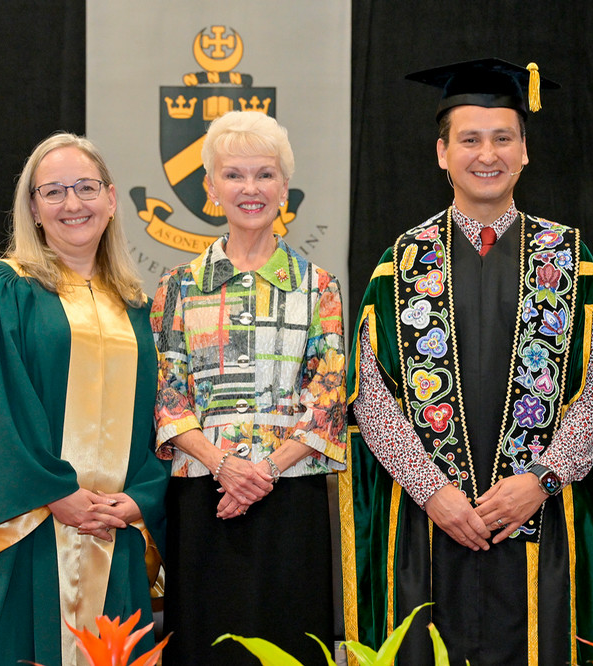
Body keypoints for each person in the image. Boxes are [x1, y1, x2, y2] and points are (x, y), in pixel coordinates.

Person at [342, 58, 593, 665]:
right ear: (442, 152)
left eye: (503, 138)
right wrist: (432, 490)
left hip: (539, 524)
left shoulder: (571, 260)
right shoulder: (401, 263)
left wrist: (541, 479)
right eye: (469, 139)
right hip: (427, 529)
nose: (486, 153)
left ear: (525, 151)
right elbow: (370, 394)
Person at [0, 132, 168, 666]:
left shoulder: (139, 308)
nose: (73, 203)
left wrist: (143, 497)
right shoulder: (1, 288)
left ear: (112, 199)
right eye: (53, 191)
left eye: (86, 188)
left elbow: (166, 414)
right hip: (24, 529)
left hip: (115, 532)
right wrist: (54, 492)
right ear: (33, 207)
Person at [152, 110, 346, 664]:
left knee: (290, 639)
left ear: (285, 187)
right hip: (203, 497)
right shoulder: (177, 286)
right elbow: (169, 399)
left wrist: (262, 471)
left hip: (291, 495)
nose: (250, 189)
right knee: (205, 641)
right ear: (211, 189)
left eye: (264, 175)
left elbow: (328, 400)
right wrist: (226, 467)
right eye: (234, 175)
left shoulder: (320, 287)